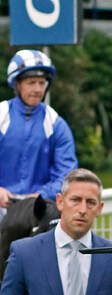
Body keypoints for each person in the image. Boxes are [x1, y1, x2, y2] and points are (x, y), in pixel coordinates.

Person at [0, 50, 78, 216]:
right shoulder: (1, 115)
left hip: (39, 209)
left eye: (42, 83)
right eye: (31, 82)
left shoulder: (56, 123)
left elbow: (66, 174)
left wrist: (41, 195)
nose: (37, 89)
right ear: (17, 84)